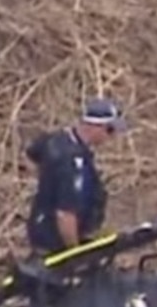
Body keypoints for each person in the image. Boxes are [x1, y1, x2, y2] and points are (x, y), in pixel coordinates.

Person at [24, 97, 128, 256]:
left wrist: (48, 185)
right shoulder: (72, 162)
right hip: (55, 244)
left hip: (41, 229)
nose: (111, 137)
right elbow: (65, 214)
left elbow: (33, 152)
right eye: (110, 130)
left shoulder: (58, 139)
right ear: (94, 127)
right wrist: (75, 253)